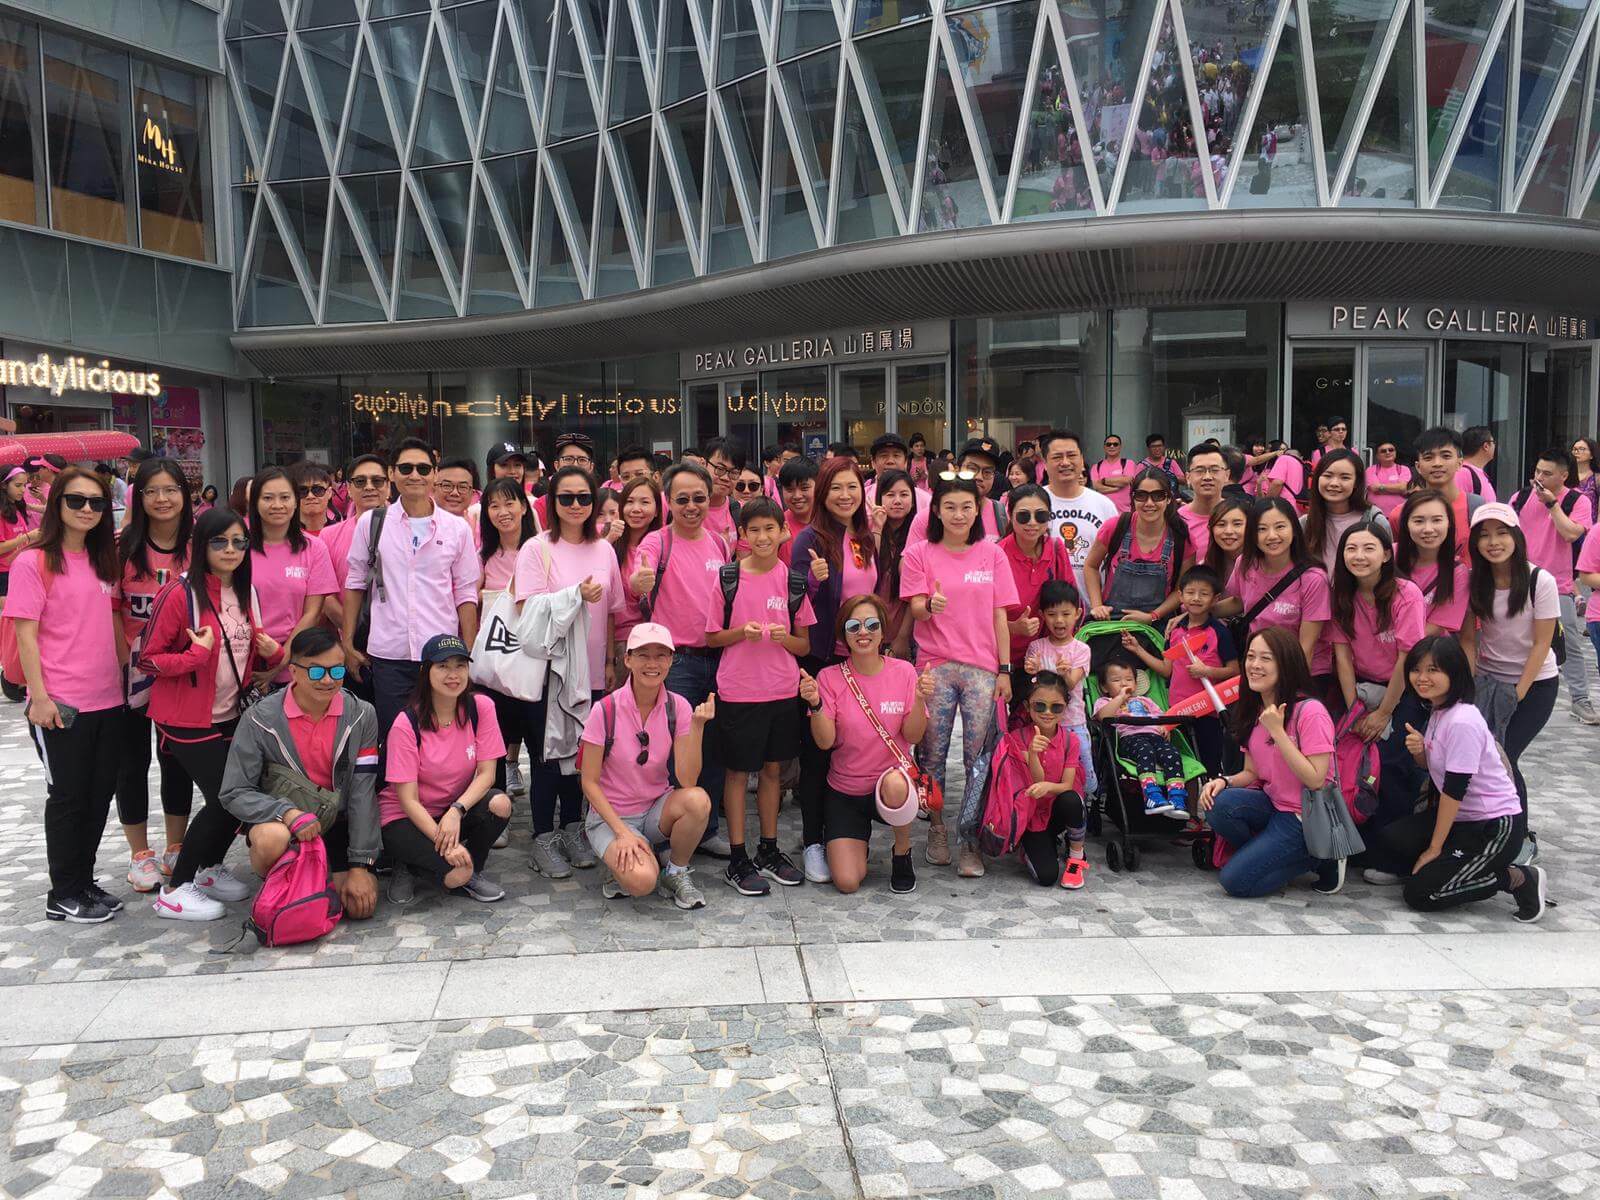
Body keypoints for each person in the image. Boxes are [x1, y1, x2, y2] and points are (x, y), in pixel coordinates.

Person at [142, 509, 285, 921]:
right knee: (228, 799)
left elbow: (243, 649)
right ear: (200, 546)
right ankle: (174, 889)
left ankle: (207, 870)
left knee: (235, 796)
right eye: (219, 541)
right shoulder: (179, 594)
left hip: (230, 712)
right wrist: (195, 656)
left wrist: (273, 654)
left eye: (239, 542)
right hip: (186, 716)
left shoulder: (245, 591)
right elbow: (149, 660)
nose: (230, 550)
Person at [1360, 637, 1546, 919]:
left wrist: (1434, 849)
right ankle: (1445, 868)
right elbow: (1439, 768)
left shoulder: (1462, 721)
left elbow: (1454, 790)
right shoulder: (1439, 710)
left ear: (1454, 673)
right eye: (1417, 669)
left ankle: (1517, 878)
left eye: (1433, 670)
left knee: (1421, 894)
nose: (1422, 678)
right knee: (1390, 839)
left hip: (1493, 826)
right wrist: (1420, 753)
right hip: (1463, 820)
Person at [12, 467, 126, 923]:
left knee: (98, 796)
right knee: (68, 797)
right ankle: (63, 890)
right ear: (57, 503)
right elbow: (25, 634)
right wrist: (38, 697)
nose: (86, 510)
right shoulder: (34, 560)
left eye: (96, 503)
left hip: (108, 699)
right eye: (76, 500)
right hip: (61, 703)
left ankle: (84, 880)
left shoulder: (104, 561)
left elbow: (112, 628)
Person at [217, 627, 382, 921]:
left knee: (358, 907)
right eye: (317, 672)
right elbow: (234, 791)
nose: (328, 680)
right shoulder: (259, 719)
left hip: (336, 824)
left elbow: (362, 790)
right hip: (289, 828)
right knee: (270, 838)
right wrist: (286, 813)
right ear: (293, 671)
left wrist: (360, 864)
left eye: (336, 670)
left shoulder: (362, 714)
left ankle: (320, 877)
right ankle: (286, 880)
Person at [901, 475, 1018, 877]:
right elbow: (915, 609)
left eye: (966, 507)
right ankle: (936, 829)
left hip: (983, 670)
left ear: (979, 510)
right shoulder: (919, 553)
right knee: (931, 754)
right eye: (949, 506)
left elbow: (1000, 616)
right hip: (935, 664)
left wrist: (1005, 670)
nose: (958, 514)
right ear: (936, 510)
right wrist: (929, 605)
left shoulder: (993, 554)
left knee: (978, 758)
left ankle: (971, 839)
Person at [514, 465, 624, 879]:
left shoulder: (605, 551)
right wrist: (573, 595)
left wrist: (611, 661)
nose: (576, 505)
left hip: (593, 670)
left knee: (584, 755)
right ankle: (543, 836)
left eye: (584, 498)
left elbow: (612, 612)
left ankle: (573, 827)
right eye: (566, 498)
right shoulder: (535, 549)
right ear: (552, 503)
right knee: (547, 756)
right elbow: (527, 609)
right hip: (549, 671)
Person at [342, 438, 481, 753]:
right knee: (395, 739)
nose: (414, 475)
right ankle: (397, 802)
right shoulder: (372, 523)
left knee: (442, 738)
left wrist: (468, 649)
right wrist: (347, 641)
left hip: (441, 653)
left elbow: (465, 591)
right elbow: (355, 582)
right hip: (389, 654)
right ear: (392, 473)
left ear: (434, 474)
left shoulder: (456, 529)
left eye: (423, 468)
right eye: (406, 468)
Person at [705, 498, 812, 895]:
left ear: (783, 531)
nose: (763, 537)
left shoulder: (793, 581)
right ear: (743, 536)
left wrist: (788, 640)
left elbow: (805, 646)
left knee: (772, 773)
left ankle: (768, 850)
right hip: (738, 692)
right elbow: (711, 636)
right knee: (736, 774)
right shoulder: (727, 577)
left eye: (771, 528)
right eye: (755, 530)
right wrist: (739, 634)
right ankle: (737, 857)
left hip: (782, 692)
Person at [630, 462, 731, 856]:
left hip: (718, 658)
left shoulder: (720, 544)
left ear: (710, 499)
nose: (692, 506)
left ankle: (706, 830)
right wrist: (640, 581)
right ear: (668, 502)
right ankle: (665, 829)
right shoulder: (658, 542)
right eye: (682, 499)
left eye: (699, 498)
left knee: (713, 747)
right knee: (671, 750)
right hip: (677, 664)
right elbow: (639, 575)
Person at [1198, 626, 1342, 897]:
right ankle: (1268, 854)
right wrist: (1223, 781)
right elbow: (1252, 772)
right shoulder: (1255, 709)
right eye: (1251, 657)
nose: (1254, 665)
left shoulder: (1310, 711)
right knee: (1218, 804)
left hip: (1304, 817)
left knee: (1235, 882)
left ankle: (1319, 856)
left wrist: (1278, 731)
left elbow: (1316, 779)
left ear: (1286, 664)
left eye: (1266, 658)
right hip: (1272, 804)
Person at [577, 622, 713, 910]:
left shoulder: (679, 707)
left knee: (698, 800)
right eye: (643, 655)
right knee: (642, 882)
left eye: (661, 655)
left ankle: (676, 870)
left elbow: (687, 780)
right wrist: (622, 832)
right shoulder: (605, 709)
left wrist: (698, 728)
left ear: (671, 660)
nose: (653, 663)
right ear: (628, 659)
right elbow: (588, 781)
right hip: (611, 816)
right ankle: (626, 859)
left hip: (655, 810)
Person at [799, 594, 927, 895]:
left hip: (889, 784)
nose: (863, 632)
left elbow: (913, 736)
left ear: (883, 631)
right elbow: (825, 741)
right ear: (844, 635)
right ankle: (858, 845)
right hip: (846, 790)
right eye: (853, 626)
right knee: (846, 882)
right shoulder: (829, 677)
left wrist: (920, 700)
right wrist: (815, 704)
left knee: (896, 784)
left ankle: (902, 853)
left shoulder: (904, 672)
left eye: (871, 624)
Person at [790, 458, 877, 881]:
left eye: (853, 487)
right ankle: (812, 841)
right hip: (822, 660)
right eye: (836, 488)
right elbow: (795, 602)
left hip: (859, 660)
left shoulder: (864, 537)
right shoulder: (810, 538)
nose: (846, 495)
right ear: (823, 493)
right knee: (817, 752)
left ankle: (845, 832)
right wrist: (815, 582)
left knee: (850, 747)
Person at [115, 456, 197, 891]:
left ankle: (176, 847)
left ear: (186, 494)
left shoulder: (200, 545)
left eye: (171, 489)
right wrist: (119, 662)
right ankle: (139, 854)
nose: (162, 499)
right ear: (138, 497)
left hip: (181, 673)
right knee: (131, 762)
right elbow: (111, 609)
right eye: (152, 491)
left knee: (175, 761)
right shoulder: (120, 547)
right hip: (130, 674)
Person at [381, 635, 510, 904]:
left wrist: (457, 809)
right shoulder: (407, 724)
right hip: (407, 817)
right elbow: (407, 800)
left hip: (450, 810)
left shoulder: (480, 708)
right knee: (455, 876)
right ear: (425, 671)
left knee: (500, 803)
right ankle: (407, 863)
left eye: (460, 665)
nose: (453, 674)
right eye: (442, 666)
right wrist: (447, 843)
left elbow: (488, 773)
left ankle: (470, 868)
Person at [1459, 504, 1558, 852]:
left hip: (1535, 684)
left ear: (1516, 534)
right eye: (1483, 535)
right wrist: (1470, 688)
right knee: (1482, 758)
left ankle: (1519, 839)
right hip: (1488, 682)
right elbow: (1469, 639)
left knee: (1505, 755)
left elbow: (1542, 644)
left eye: (1501, 532)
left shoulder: (1538, 580)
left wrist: (1517, 693)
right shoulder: (1474, 582)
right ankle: (1488, 830)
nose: (1493, 542)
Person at [1328, 520, 1426, 827]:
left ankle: (1391, 845)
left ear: (1386, 555)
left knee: (1393, 761)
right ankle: (1358, 834)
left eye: (1369, 548)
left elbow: (1406, 657)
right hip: (1361, 688)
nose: (1359, 556)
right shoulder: (1342, 593)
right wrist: (1354, 711)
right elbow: (1342, 656)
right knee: (1349, 756)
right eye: (1351, 548)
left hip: (1403, 687)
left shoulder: (1406, 593)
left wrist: (1384, 713)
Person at [1122, 564, 1236, 773]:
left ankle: (1210, 803)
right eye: (1190, 592)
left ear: (1215, 598)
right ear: (1180, 596)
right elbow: (1167, 670)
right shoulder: (1174, 632)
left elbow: (1235, 671)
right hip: (1176, 711)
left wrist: (1208, 672)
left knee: (1209, 767)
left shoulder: (1219, 632)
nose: (1196, 598)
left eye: (1204, 594)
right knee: (1180, 767)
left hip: (1207, 712)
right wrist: (1138, 650)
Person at [1510, 449, 1595, 724]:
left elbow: (1571, 533)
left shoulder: (1576, 500)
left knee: (1568, 643)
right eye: (1537, 471)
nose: (1539, 478)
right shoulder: (1520, 497)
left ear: (1564, 475)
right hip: (1519, 580)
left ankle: (1580, 699)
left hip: (1558, 585)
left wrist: (1552, 505)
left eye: (1547, 474)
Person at [997, 670, 1088, 888]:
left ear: (1065, 708)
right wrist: (1033, 754)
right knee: (1046, 877)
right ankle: (1029, 845)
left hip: (1056, 808)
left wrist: (1048, 786)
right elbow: (1032, 781)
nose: (1047, 713)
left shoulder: (1070, 741)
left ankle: (1077, 856)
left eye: (1056, 707)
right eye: (1040, 706)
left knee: (1072, 799)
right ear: (1028, 707)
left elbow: (1066, 785)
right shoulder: (1016, 739)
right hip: (1030, 816)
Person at [478, 477, 538, 806]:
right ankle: (497, 809)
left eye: (509, 503)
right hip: (496, 658)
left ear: (524, 507)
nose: (502, 511)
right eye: (494, 505)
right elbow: (470, 602)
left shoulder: (543, 548)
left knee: (536, 732)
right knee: (495, 735)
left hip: (533, 655)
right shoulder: (483, 556)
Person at [249, 467, 338, 684]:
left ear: (294, 502)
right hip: (246, 659)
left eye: (285, 497)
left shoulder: (314, 548)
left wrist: (280, 660)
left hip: (297, 662)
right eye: (268, 498)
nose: (277, 505)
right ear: (255, 502)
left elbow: (312, 613)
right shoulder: (240, 548)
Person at [1219, 497, 1328, 667]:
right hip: (1258, 663)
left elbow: (1306, 649)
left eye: (1280, 527)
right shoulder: (1246, 563)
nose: (1271, 536)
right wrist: (1195, 612)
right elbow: (1239, 601)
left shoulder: (1314, 579)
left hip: (1300, 670)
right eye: (1262, 529)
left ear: (1294, 529)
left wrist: (1284, 688)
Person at [1083, 467, 1190, 626]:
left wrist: (1153, 616)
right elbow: (1091, 566)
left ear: (1168, 499)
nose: (1149, 503)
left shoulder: (1181, 537)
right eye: (1141, 496)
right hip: (1111, 621)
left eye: (1157, 496)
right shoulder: (1115, 527)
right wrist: (1097, 605)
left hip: (1156, 624)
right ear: (1132, 498)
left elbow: (1181, 589)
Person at [1023, 579, 1097, 798]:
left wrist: (1065, 673)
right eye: (1052, 614)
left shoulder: (1081, 650)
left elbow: (1071, 683)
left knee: (1085, 773)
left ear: (1078, 613)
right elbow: (1034, 686)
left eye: (1066, 614)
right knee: (1049, 770)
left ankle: (1086, 799)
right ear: (1042, 615)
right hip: (1044, 726)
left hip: (1073, 723)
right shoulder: (1037, 647)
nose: (1059, 620)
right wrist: (1031, 671)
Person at [1093, 653, 1190, 818]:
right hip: (1129, 739)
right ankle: (1151, 795)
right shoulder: (1104, 702)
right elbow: (1103, 717)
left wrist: (1165, 727)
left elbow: (1162, 717)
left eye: (1129, 680)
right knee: (1145, 751)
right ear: (1104, 687)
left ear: (1136, 683)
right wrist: (1120, 697)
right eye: (1116, 681)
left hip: (1155, 737)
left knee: (1172, 753)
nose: (1124, 683)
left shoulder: (1146, 701)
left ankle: (1176, 797)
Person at [999, 484, 1070, 681]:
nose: (1032, 523)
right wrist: (1014, 627)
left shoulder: (1056, 548)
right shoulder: (997, 555)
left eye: (1040, 516)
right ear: (1010, 514)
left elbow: (1070, 601)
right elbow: (981, 618)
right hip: (1004, 661)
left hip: (1046, 659)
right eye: (1023, 516)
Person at [1038, 430, 1119, 595]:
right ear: (1045, 464)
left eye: (1071, 455)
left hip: (1096, 611)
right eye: (1057, 457)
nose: (1065, 462)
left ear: (1082, 460)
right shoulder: (1033, 502)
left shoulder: (1104, 505)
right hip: (1046, 612)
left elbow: (1117, 559)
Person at [1301, 449, 1389, 578]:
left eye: (1345, 477)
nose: (1334, 483)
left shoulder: (1375, 520)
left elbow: (1387, 570)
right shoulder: (1305, 523)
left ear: (1356, 483)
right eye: (1328, 475)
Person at [1394, 490, 1470, 635]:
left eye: (1437, 520)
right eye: (1418, 521)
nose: (1428, 529)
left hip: (1424, 652)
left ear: (1449, 523)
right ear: (1406, 524)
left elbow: (1436, 626)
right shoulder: (1388, 556)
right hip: (1381, 651)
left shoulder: (1458, 573)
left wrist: (1403, 648)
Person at [907, 437, 1009, 543]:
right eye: (972, 469)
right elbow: (911, 559)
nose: (979, 477)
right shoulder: (927, 518)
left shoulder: (1003, 517)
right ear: (957, 469)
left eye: (987, 472)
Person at [612, 475, 662, 660]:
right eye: (630, 502)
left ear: (657, 510)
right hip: (610, 642)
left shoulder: (661, 547)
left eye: (645, 502)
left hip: (647, 641)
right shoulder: (609, 543)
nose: (636, 509)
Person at [1413, 427, 1485, 553]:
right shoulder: (1402, 514)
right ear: (1418, 467)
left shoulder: (1477, 508)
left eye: (1446, 456)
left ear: (1460, 463)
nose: (1437, 463)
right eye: (1428, 457)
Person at [870, 468, 918, 655]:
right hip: (870, 630)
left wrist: (903, 637)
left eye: (904, 494)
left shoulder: (919, 537)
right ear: (879, 499)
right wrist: (877, 528)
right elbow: (869, 571)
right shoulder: (868, 530)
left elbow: (914, 596)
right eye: (890, 494)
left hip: (904, 634)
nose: (897, 500)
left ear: (913, 500)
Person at [1177, 443, 1228, 560]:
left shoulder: (1239, 517)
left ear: (1226, 475)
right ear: (1188, 478)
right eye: (1200, 471)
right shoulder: (1177, 521)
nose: (1207, 477)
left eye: (1215, 470)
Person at [0, 466, 39, 612]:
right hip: (3, 574)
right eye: (18, 485)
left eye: (24, 485)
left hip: (18, 568)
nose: (23, 490)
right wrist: (28, 537)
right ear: (4, 485)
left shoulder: (16, 507)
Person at [702, 437, 745, 541]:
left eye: (734, 472)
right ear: (703, 464)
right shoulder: (681, 508)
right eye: (720, 469)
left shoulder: (739, 511)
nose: (726, 478)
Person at [1201, 496, 1250, 587]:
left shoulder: (1262, 564)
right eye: (1221, 524)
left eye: (1237, 524)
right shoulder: (1205, 567)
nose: (1228, 531)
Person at [1365, 441, 1412, 523]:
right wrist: (1396, 488)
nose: (1388, 452)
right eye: (1383, 451)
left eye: (1391, 450)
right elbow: (1374, 488)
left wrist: (1381, 487)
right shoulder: (1371, 470)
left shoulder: (1403, 469)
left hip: (1400, 516)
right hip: (1376, 517)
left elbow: (1403, 488)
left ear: (1395, 453)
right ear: (1377, 456)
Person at [289, 461, 337, 537]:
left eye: (317, 490)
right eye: (302, 491)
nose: (310, 496)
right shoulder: (284, 536)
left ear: (329, 492)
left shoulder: (343, 532)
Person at [1090, 434, 1135, 511]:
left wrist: (1104, 481)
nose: (1112, 446)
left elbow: (1126, 481)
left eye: (1115, 444)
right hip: (1102, 512)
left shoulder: (1128, 463)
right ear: (1104, 447)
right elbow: (1096, 487)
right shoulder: (1096, 467)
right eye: (1108, 444)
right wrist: (1116, 488)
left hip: (1123, 514)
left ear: (1120, 447)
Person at [434, 458, 480, 531]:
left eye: (462, 487)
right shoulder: (418, 524)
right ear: (433, 488)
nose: (455, 493)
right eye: (447, 486)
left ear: (472, 493)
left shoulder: (484, 529)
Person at [1458, 426, 1497, 501]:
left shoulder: (1477, 473)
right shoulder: (1463, 473)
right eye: (1493, 442)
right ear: (1486, 446)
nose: (1495, 446)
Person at [1571, 437, 1600, 511]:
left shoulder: (1597, 479)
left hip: (1589, 521)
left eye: (1582, 449)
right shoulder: (1565, 475)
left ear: (1592, 455)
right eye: (1574, 449)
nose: (1576, 452)